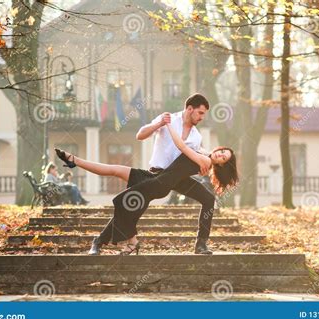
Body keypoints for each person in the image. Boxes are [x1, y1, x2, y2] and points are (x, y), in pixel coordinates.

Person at [55, 123, 238, 255]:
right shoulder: (203, 149)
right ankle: (74, 161)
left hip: (164, 181)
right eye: (222, 151)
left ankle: (200, 244)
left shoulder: (205, 161)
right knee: (114, 171)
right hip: (158, 176)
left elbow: (181, 145)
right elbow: (186, 144)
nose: (220, 154)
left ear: (220, 165)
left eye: (222, 158)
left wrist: (168, 125)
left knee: (123, 202)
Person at [134, 93, 218, 254]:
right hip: (158, 175)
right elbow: (140, 135)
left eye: (204, 114)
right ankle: (100, 240)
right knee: (132, 203)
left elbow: (192, 157)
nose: (202, 118)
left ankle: (201, 244)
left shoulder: (196, 136)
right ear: (189, 108)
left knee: (208, 198)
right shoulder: (168, 119)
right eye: (200, 113)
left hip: (179, 177)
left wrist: (203, 164)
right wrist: (158, 124)